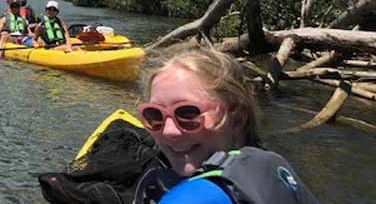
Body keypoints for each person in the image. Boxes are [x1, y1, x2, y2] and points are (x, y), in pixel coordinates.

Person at [133, 48, 319, 204]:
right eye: (154, 115)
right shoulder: (272, 165)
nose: (169, 131)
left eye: (188, 113)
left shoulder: (203, 196)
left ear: (237, 118)